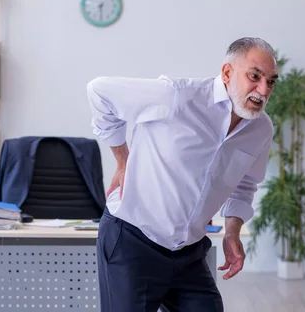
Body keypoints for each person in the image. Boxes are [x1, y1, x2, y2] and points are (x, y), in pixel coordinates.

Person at [85, 37, 278, 312]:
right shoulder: (176, 96)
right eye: (254, 76)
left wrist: (232, 231)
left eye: (271, 81)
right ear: (227, 73)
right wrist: (122, 158)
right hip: (133, 243)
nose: (263, 89)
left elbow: (245, 184)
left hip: (189, 252)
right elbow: (99, 91)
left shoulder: (260, 129)